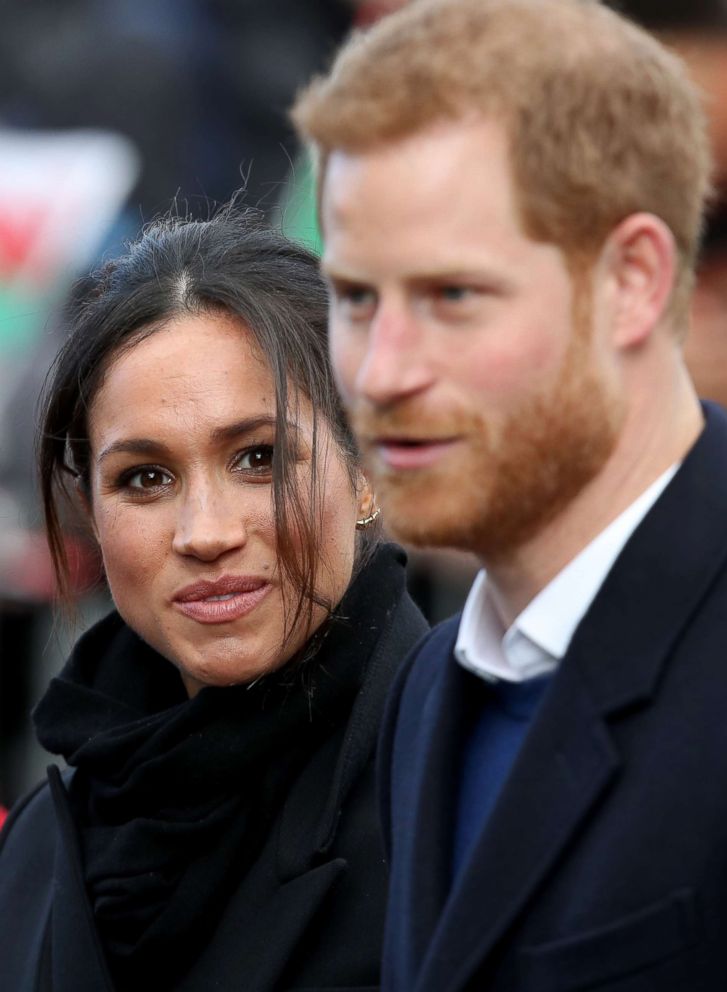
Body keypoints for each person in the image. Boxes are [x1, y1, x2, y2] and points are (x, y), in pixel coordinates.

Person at [292, 0, 727, 987]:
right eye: (356, 296)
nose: (382, 370)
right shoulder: (428, 687)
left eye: (452, 295)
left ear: (632, 279)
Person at [0, 209, 428, 991]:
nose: (205, 532)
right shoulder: (36, 851)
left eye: (258, 458)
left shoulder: (470, 794)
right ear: (92, 513)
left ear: (363, 469)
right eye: (145, 478)